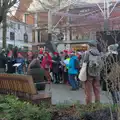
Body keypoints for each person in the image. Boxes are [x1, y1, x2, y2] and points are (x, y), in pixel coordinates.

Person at [83, 40, 102, 104]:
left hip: (89, 73)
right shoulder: (99, 53)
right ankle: (97, 103)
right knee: (97, 89)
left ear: (89, 45)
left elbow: (84, 62)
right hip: (97, 73)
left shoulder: (87, 52)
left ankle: (89, 104)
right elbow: (101, 63)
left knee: (88, 90)